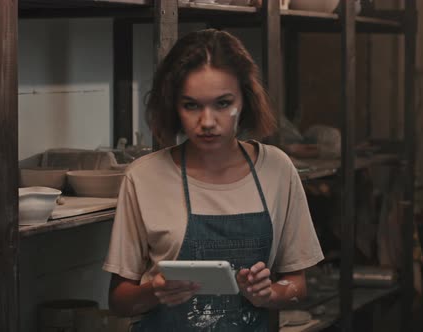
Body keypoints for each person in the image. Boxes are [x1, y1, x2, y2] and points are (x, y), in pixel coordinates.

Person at [102, 29, 324, 331]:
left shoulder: (277, 169)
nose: (207, 121)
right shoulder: (143, 177)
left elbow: (297, 284)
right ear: (173, 106)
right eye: (191, 105)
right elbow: (119, 300)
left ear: (245, 100)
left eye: (222, 103)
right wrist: (154, 291)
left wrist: (269, 293)